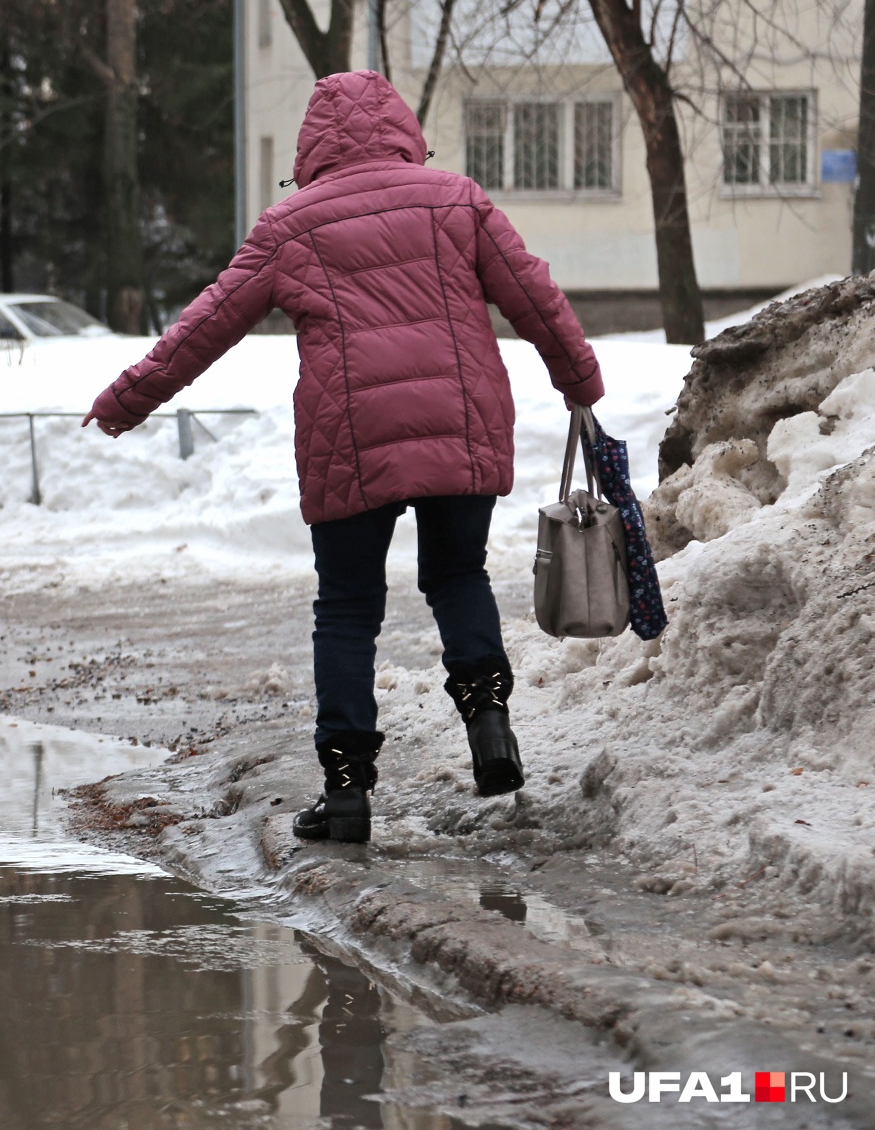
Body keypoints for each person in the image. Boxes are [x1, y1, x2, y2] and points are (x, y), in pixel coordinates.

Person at [83, 70, 602, 845]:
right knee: (457, 574)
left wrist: (129, 398)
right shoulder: (457, 200)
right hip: (460, 417)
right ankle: (491, 727)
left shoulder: (291, 225)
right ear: (403, 131)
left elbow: (208, 322)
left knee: (349, 608)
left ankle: (348, 794)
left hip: (350, 434)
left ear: (313, 149)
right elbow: (535, 296)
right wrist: (580, 380)